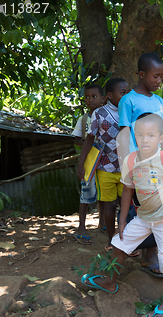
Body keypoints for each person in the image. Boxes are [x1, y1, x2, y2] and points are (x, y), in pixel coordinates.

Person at [81, 113, 163, 317]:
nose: (145, 140)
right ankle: (111, 282)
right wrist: (123, 220)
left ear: (161, 137)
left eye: (151, 135)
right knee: (120, 243)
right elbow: (127, 190)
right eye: (140, 135)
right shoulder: (131, 159)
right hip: (144, 217)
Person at [117, 52, 163, 275]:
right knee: (140, 208)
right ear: (141, 75)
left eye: (161, 77)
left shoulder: (159, 101)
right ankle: (135, 250)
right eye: (155, 76)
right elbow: (124, 133)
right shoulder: (128, 101)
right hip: (137, 164)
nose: (159, 81)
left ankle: (151, 256)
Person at [77, 78, 129, 251]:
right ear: (109, 95)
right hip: (105, 168)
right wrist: (81, 163)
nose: (126, 96)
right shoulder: (99, 114)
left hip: (125, 169)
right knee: (110, 205)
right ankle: (111, 240)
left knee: (126, 205)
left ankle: (126, 239)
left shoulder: (130, 111)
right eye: (122, 93)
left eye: (127, 92)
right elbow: (90, 139)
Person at [72, 84, 104, 245]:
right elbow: (76, 140)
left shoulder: (108, 116)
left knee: (104, 192)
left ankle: (103, 222)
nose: (90, 100)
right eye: (87, 97)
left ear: (103, 98)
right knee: (86, 191)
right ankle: (81, 227)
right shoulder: (84, 119)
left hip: (106, 161)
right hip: (89, 160)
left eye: (94, 96)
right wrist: (87, 143)